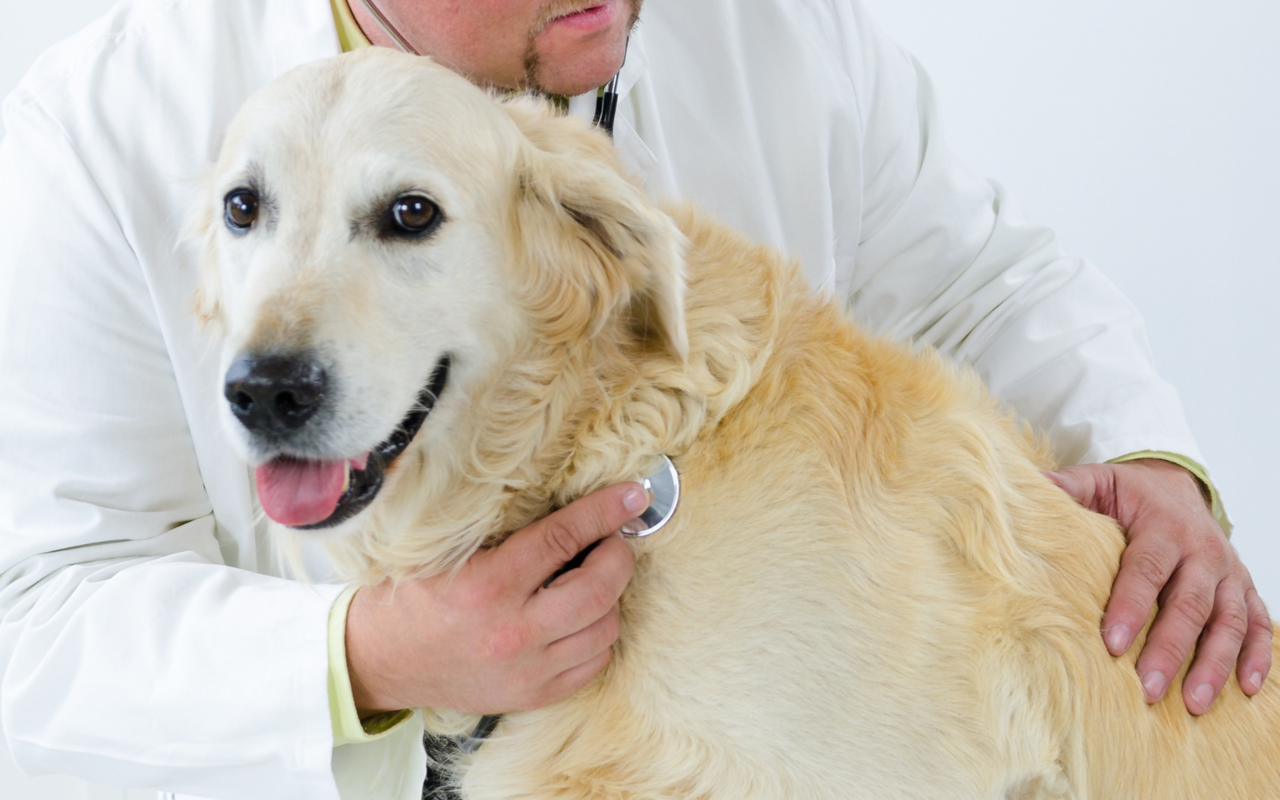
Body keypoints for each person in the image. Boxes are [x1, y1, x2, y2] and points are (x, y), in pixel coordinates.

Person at [0, 0, 1269, 798]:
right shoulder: (97, 125)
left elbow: (979, 280)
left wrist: (1148, 458)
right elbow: (31, 617)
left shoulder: (769, 28)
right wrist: (368, 656)